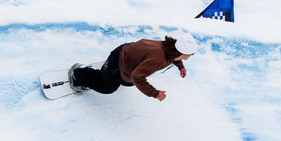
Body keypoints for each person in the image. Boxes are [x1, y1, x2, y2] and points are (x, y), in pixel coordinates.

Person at [69, 32, 197, 101]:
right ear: (184, 53)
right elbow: (137, 76)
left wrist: (180, 66)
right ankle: (78, 74)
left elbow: (174, 57)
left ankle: (107, 74)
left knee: (128, 82)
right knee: (107, 88)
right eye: (191, 53)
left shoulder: (170, 47)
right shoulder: (159, 59)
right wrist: (155, 93)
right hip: (118, 62)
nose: (191, 55)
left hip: (126, 52)